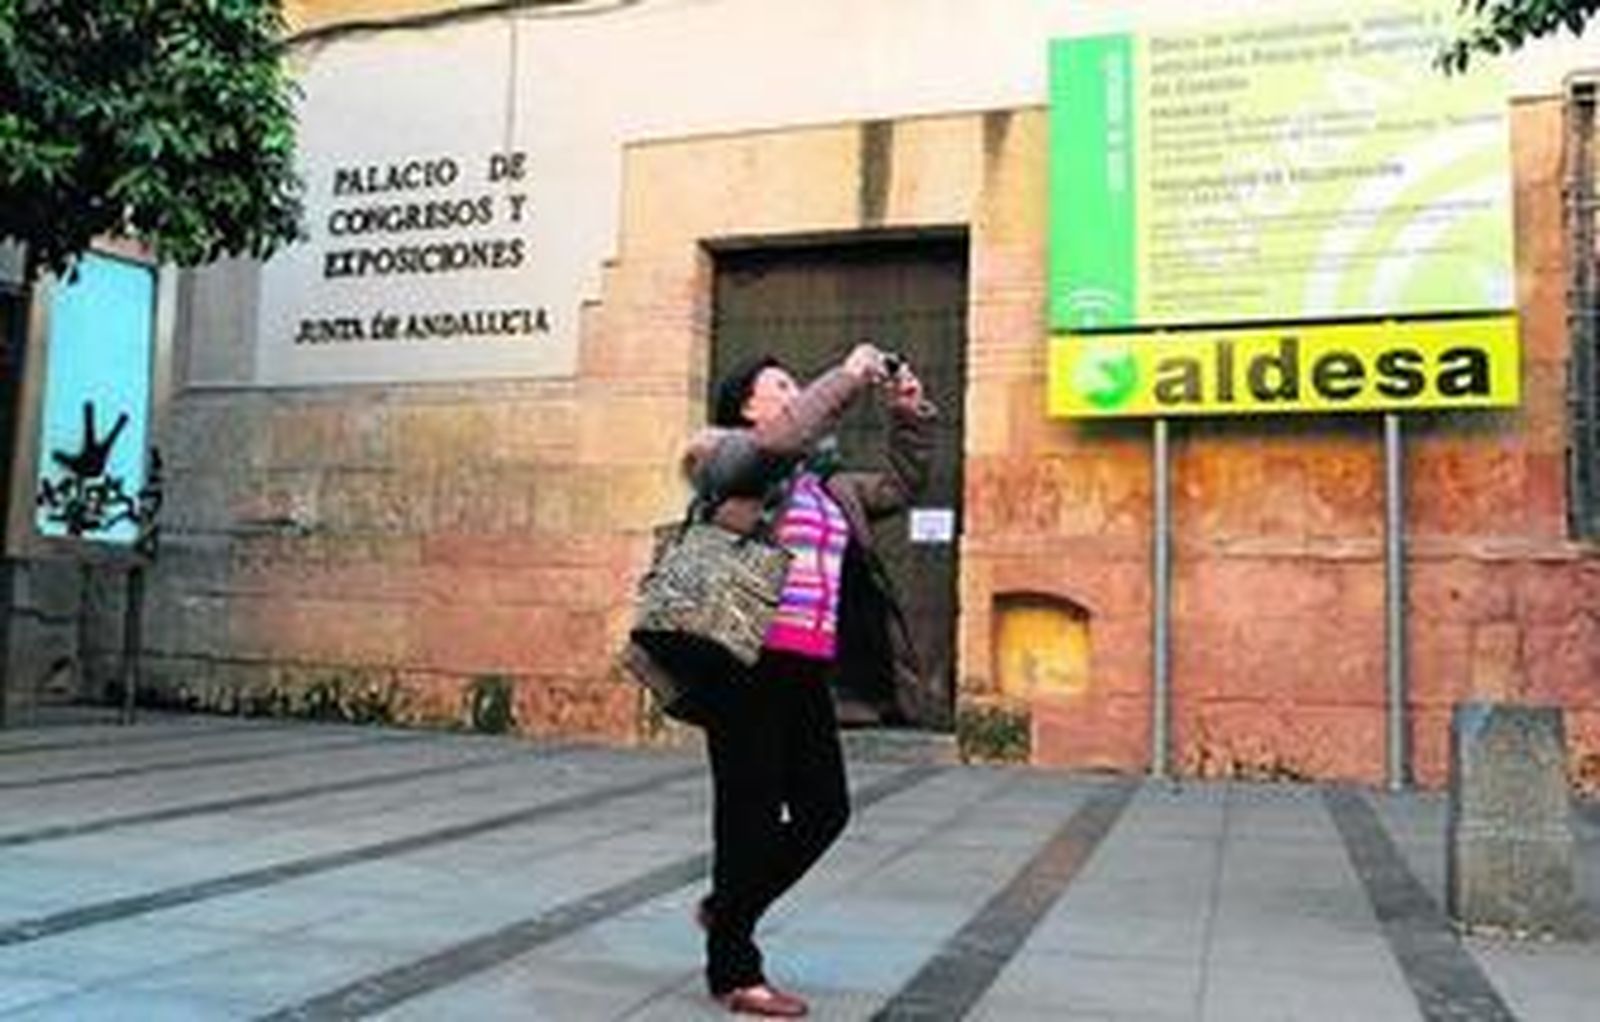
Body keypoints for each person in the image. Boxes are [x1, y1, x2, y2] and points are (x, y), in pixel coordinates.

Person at [676, 342, 937, 1017]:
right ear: (746, 405)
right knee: (748, 819)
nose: (796, 391)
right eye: (781, 383)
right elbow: (783, 440)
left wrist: (908, 414)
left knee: (827, 809)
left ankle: (726, 906)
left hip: (805, 669)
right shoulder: (727, 460)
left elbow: (903, 486)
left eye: (800, 382)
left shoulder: (829, 485)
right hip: (741, 663)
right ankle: (735, 970)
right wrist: (847, 377)